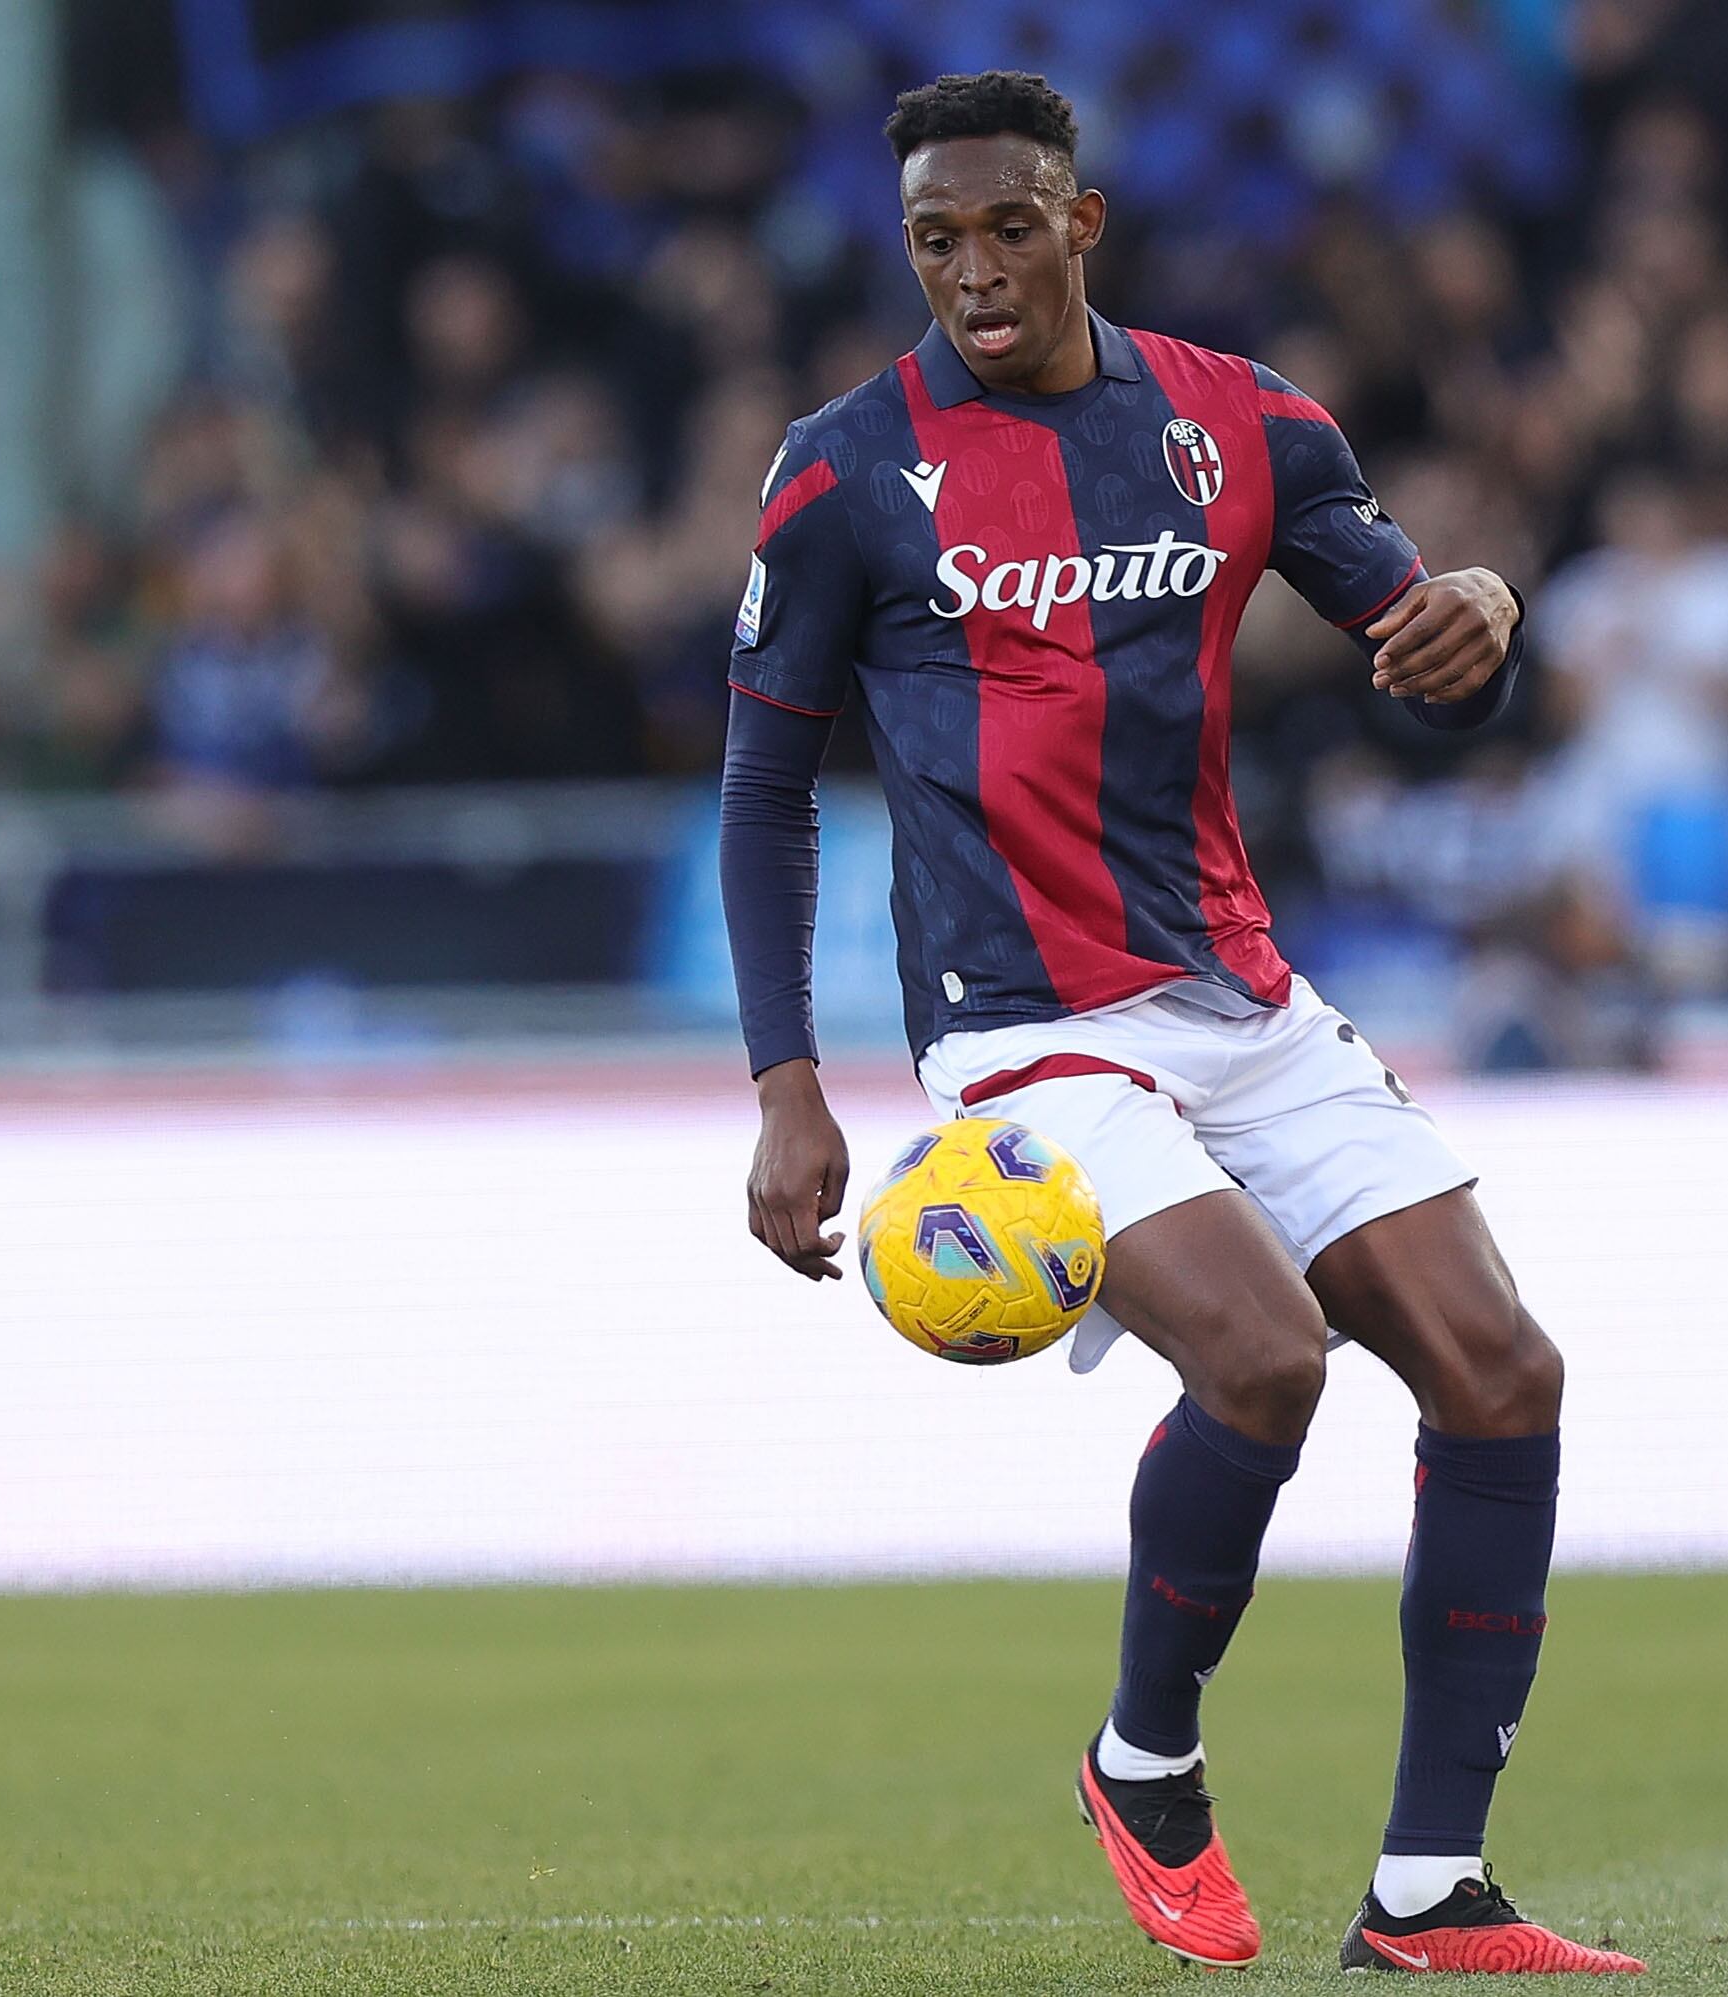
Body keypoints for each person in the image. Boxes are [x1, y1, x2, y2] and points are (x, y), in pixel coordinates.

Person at [717, 70, 1641, 1979]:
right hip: (1024, 1026)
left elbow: (1432, 660)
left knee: (1503, 1371)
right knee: (1266, 1355)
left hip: (1239, 992)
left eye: (1006, 227)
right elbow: (759, 787)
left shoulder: (1240, 425)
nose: (972, 270)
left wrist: (1479, 600)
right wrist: (784, 1083)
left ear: (1084, 221)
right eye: (934, 240)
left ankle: (1428, 1894)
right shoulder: (841, 471)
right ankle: (1145, 1762)